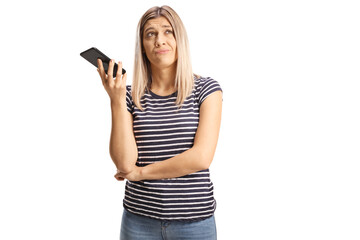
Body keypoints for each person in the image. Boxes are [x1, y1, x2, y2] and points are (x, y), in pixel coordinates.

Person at [97, 5, 222, 240]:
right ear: (142, 46)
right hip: (138, 221)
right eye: (150, 34)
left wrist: (140, 173)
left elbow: (200, 157)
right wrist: (116, 100)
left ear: (179, 40)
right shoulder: (129, 95)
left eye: (168, 31)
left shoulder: (206, 90)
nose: (159, 41)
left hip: (194, 223)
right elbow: (125, 163)